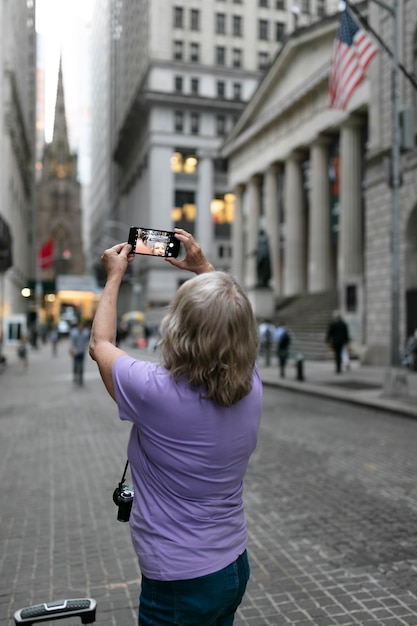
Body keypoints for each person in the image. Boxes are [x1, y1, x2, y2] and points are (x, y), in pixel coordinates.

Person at [89, 228, 262, 626]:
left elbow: (100, 344)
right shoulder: (251, 383)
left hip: (179, 581)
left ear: (178, 329)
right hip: (234, 565)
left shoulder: (157, 391)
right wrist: (204, 270)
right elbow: (231, 326)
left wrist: (114, 275)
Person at [69, 320, 90, 385]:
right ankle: (75, 375)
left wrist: (86, 347)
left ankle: (81, 378)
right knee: (75, 365)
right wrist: (72, 349)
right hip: (75, 352)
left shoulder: (86, 332)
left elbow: (87, 341)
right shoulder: (73, 332)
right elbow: (71, 342)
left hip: (82, 351)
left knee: (81, 366)